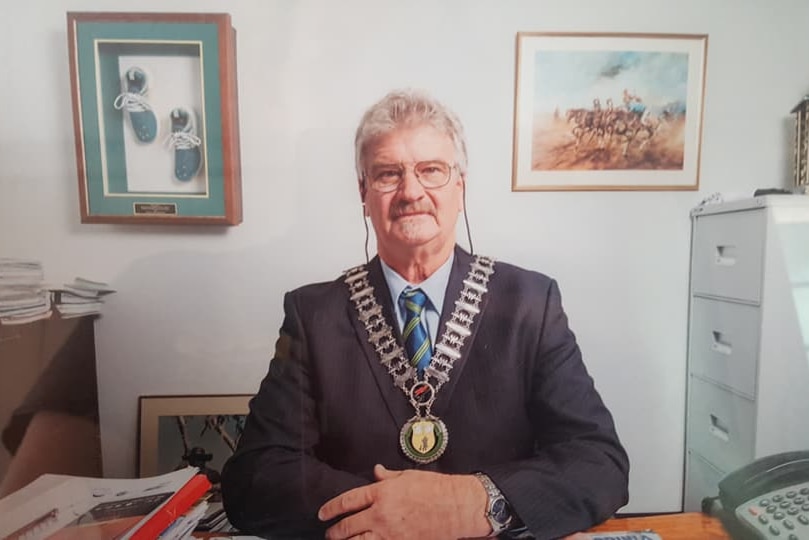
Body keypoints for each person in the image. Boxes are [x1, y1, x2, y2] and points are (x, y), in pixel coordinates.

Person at [220, 89, 629, 539]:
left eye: (431, 170)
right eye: (388, 174)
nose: (411, 192)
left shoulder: (531, 302)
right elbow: (256, 476)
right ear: (363, 191)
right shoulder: (313, 313)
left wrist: (471, 504)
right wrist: (389, 511)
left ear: (460, 185)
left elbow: (598, 462)